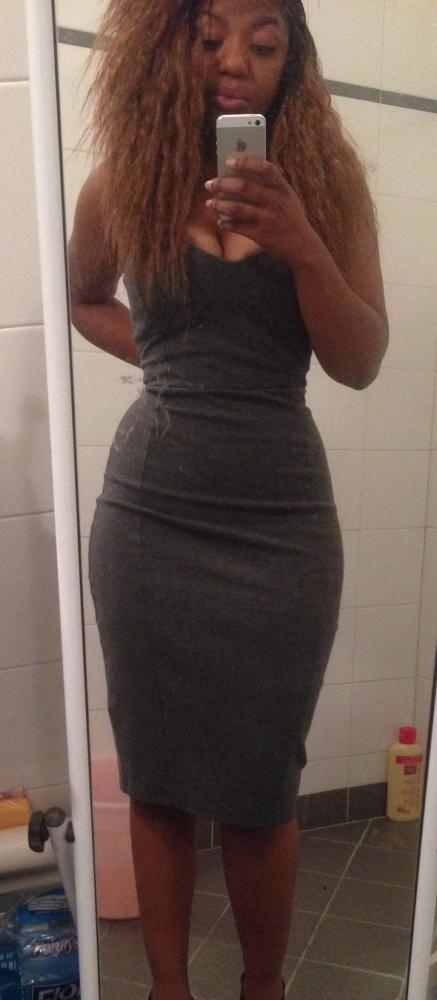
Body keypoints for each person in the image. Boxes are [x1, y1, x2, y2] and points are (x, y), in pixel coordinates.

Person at [68, 1, 389, 999]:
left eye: (264, 39)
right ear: (173, 46)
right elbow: (83, 295)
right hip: (149, 522)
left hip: (279, 531)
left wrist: (303, 244)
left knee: (259, 790)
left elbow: (358, 360)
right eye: (211, 37)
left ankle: (262, 989)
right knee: (157, 780)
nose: (235, 60)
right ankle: (168, 989)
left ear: (293, 58)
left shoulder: (326, 189)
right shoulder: (124, 181)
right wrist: (170, 358)